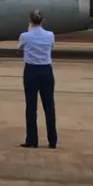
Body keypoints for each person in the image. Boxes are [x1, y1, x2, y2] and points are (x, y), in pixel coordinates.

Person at [17, 9, 58, 149]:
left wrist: (29, 30)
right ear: (42, 20)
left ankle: (32, 139)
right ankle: (52, 140)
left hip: (31, 70)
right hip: (46, 70)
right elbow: (52, 46)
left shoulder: (25, 36)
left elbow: (20, 47)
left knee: (31, 106)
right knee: (49, 106)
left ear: (30, 20)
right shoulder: (50, 35)